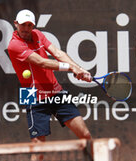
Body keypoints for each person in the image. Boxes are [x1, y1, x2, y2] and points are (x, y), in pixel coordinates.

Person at [8, 9, 93, 144]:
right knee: (38, 146)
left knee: (86, 135)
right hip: (31, 95)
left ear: (33, 26)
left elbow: (58, 53)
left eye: (29, 25)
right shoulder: (14, 45)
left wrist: (79, 68)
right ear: (16, 24)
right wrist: (71, 68)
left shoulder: (38, 34)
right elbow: (42, 62)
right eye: (23, 24)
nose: (26, 28)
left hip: (55, 90)